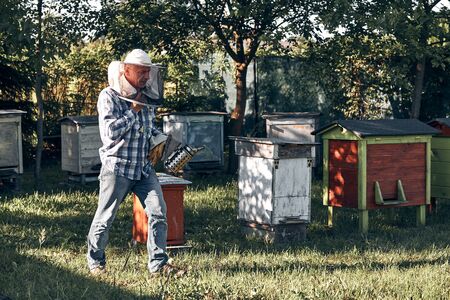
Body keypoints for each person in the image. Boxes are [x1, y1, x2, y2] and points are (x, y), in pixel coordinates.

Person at [86, 49, 182, 277]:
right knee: (105, 217)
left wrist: (163, 142)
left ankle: (158, 264)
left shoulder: (146, 97)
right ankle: (95, 263)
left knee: (158, 213)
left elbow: (148, 129)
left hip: (143, 169)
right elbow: (110, 132)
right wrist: (132, 111)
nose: (146, 77)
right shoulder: (108, 96)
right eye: (141, 71)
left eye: (148, 72)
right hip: (117, 168)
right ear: (126, 70)